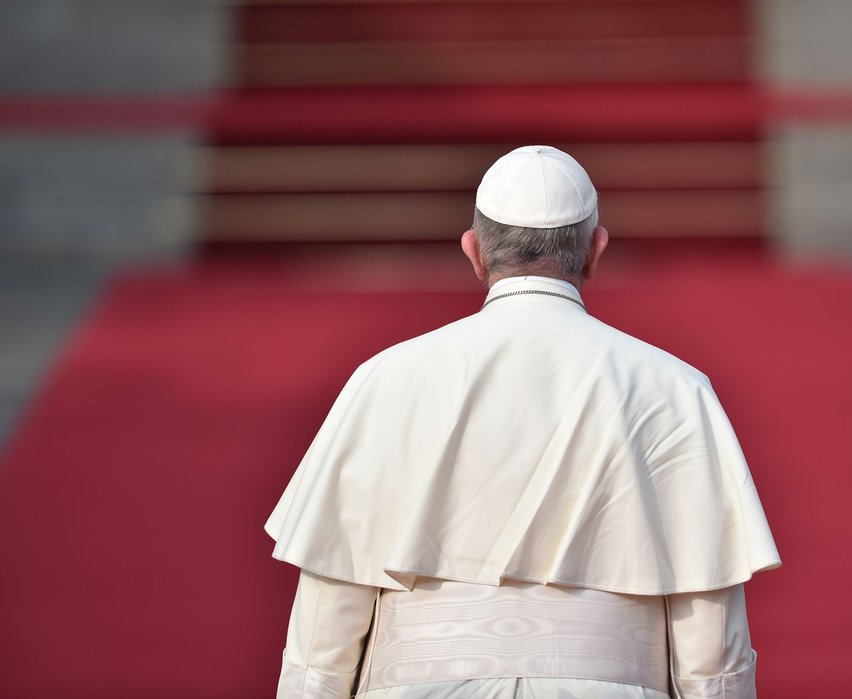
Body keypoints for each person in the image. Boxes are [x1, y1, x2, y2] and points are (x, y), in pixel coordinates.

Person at [264, 145, 781, 699]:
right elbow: (707, 626)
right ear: (595, 251)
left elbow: (329, 609)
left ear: (474, 252)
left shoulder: (386, 378)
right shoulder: (674, 387)